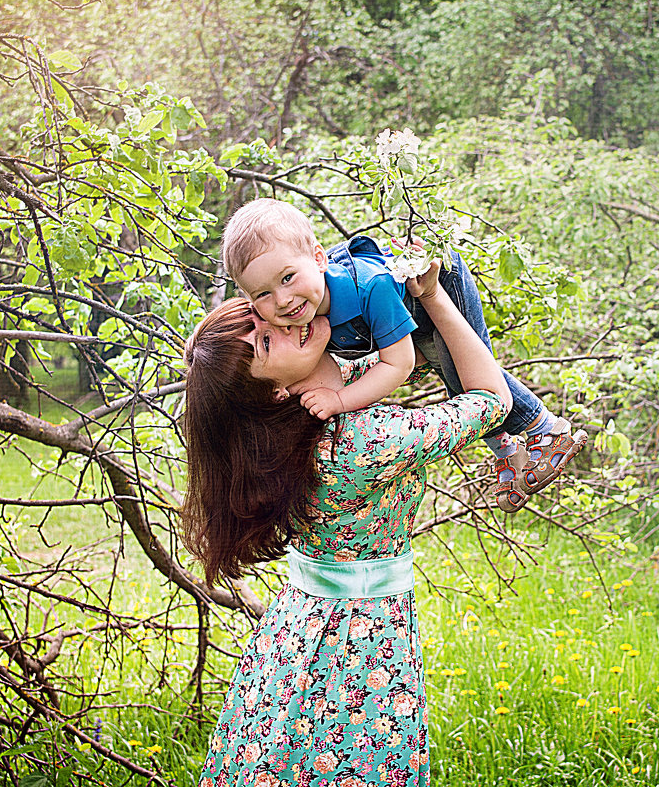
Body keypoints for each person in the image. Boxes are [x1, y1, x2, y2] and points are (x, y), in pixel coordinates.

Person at [183, 261, 511, 787]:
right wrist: (433, 298)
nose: (287, 322)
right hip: (361, 650)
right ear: (272, 392)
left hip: (295, 640)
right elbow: (493, 400)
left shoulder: (298, 421)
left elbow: (397, 359)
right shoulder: (361, 443)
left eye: (265, 313)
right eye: (266, 343)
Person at [219, 198, 585, 511]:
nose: (282, 301)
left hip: (436, 283)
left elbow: (400, 363)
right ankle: (511, 451)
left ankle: (544, 430)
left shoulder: (369, 288)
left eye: (287, 278)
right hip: (408, 322)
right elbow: (345, 366)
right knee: (453, 371)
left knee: (466, 378)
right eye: (262, 295)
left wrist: (340, 400)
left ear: (318, 259)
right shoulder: (302, 311)